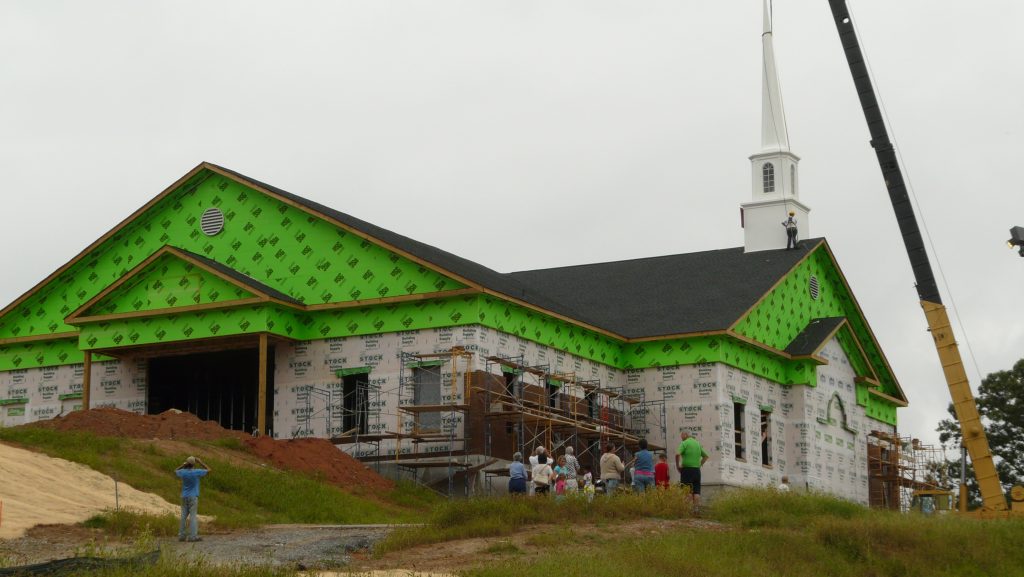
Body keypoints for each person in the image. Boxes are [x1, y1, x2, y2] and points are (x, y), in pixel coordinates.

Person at [175, 455, 211, 542]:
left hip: (184, 496)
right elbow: (209, 470)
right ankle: (192, 536)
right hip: (193, 496)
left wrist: (183, 465)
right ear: (193, 464)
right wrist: (200, 462)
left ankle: (181, 536)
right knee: (193, 517)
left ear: (187, 464)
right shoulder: (196, 472)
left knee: (183, 516)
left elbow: (175, 470)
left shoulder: (183, 472)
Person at [675, 431, 709, 512]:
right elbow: (706, 456)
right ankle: (696, 509)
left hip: (687, 470)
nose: (681, 437)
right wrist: (699, 465)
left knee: (687, 490)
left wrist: (677, 466)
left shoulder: (684, 443)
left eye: (682, 435)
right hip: (697, 471)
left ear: (686, 435)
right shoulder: (697, 443)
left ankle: (688, 509)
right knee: (696, 490)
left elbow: (677, 454)